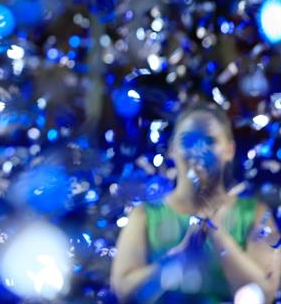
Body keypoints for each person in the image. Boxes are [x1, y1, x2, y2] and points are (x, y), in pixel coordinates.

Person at [111, 103, 281, 303]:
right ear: (173, 149)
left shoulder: (255, 213)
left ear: (229, 150)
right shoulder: (145, 215)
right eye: (188, 141)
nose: (198, 150)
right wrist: (177, 258)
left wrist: (216, 234)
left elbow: (265, 293)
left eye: (209, 141)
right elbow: (123, 290)